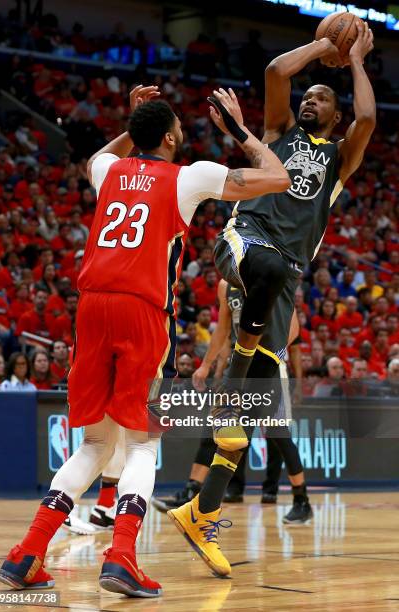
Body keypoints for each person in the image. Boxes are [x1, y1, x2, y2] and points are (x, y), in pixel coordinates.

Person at [0, 84, 290, 595]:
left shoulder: (109, 170)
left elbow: (98, 156)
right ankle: (122, 558)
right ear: (174, 137)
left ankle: (27, 554)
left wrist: (131, 129)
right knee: (143, 442)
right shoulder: (188, 175)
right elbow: (279, 177)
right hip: (142, 314)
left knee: (93, 442)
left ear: (136, 135)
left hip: (89, 309)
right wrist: (240, 129)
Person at [169, 22, 375, 576]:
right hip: (247, 239)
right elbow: (275, 72)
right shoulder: (279, 130)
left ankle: (202, 510)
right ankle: (231, 377)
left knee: (248, 421)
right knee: (259, 268)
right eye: (309, 96)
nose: (310, 100)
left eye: (321, 97)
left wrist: (355, 60)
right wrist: (324, 48)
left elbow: (370, 118)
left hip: (285, 277)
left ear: (335, 114)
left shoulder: (340, 157)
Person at [154, 280, 312, 524]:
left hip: (268, 368)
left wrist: (267, 354)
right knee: (216, 426)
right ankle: (191, 489)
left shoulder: (273, 276)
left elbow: (293, 329)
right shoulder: (225, 286)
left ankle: (301, 500)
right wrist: (207, 365)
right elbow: (223, 331)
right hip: (238, 367)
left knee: (278, 434)